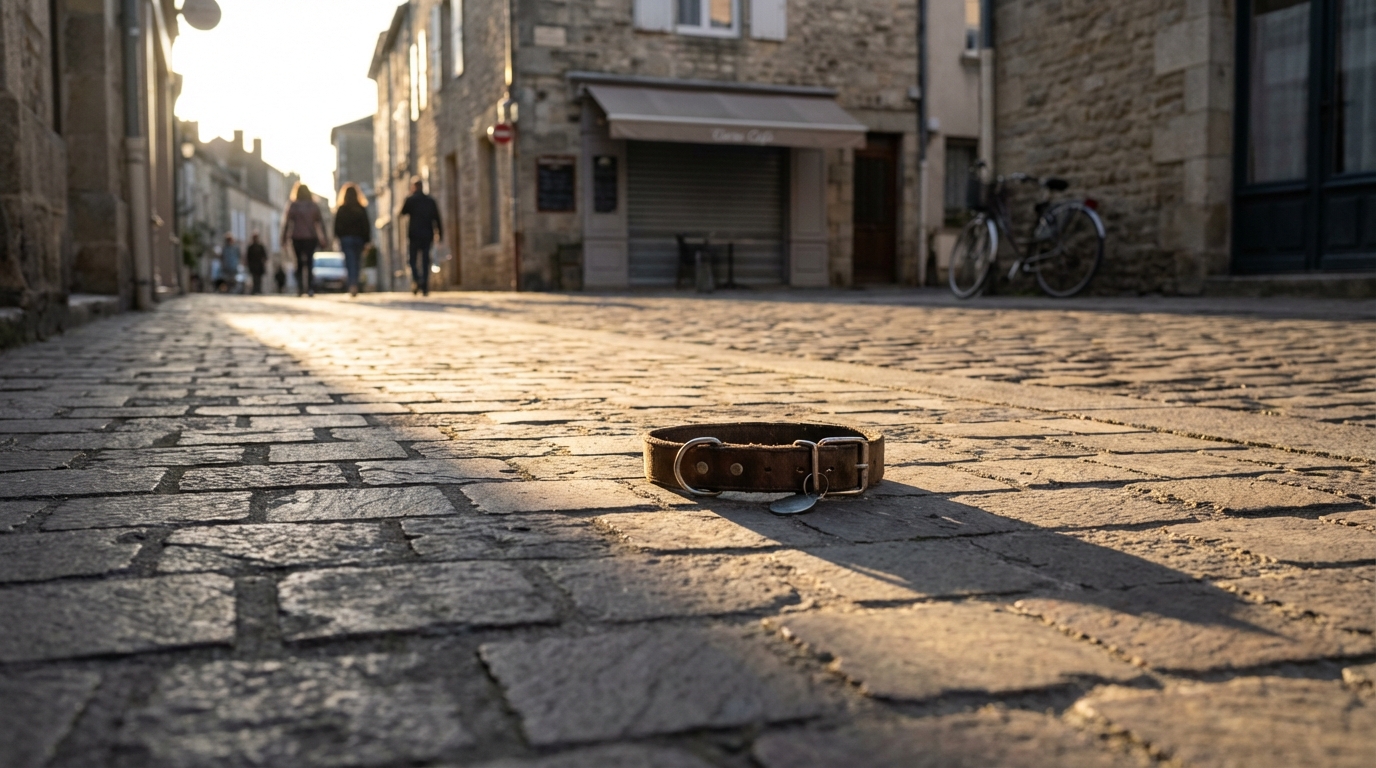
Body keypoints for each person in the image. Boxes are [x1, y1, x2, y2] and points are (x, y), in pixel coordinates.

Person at [280, 182, 326, 297]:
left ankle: (300, 288)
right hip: (311, 237)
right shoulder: (313, 205)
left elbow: (287, 223)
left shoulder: (294, 205)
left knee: (299, 263)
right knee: (310, 262)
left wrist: (284, 238)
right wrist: (324, 238)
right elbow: (320, 223)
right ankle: (310, 288)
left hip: (297, 237)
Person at [400, 177, 442, 296]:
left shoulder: (411, 200)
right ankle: (424, 284)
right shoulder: (429, 200)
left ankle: (417, 279)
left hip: (414, 234)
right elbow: (437, 218)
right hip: (427, 234)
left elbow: (402, 212)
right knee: (425, 260)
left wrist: (408, 197)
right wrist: (440, 233)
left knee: (412, 260)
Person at [333, 183, 372, 298]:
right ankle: (354, 283)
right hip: (359, 239)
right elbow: (366, 225)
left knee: (350, 262)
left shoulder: (342, 208)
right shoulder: (360, 208)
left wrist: (338, 237)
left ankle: (353, 284)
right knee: (357, 262)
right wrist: (367, 240)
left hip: (346, 239)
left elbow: (337, 225)